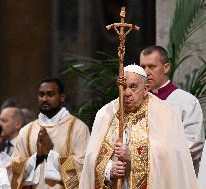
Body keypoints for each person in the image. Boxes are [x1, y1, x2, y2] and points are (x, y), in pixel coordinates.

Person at [80, 65, 198, 189]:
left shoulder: (165, 114)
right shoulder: (105, 114)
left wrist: (133, 155)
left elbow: (171, 160)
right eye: (123, 87)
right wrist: (109, 170)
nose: (126, 93)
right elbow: (91, 159)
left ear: (146, 89)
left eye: (133, 87)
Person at [11, 78, 90, 189]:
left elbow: (85, 167)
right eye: (41, 94)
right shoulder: (26, 131)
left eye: (50, 94)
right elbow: (14, 169)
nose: (44, 99)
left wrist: (50, 155)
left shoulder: (78, 128)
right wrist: (37, 157)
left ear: (62, 97)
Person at [140, 45, 205, 175]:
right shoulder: (137, 102)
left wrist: (154, 157)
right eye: (142, 67)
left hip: (174, 175)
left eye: (152, 67)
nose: (146, 73)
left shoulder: (187, 102)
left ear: (166, 68)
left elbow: (193, 144)